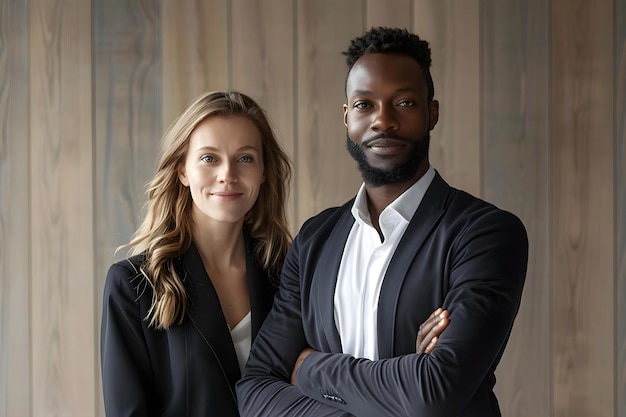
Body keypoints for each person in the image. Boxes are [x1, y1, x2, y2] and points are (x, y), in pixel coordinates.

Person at [236, 27, 528, 417]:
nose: (383, 121)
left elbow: (434, 392)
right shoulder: (315, 239)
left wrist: (306, 367)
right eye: (364, 105)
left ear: (432, 113)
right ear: (347, 117)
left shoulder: (484, 233)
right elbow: (255, 389)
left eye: (404, 102)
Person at [100, 91, 292, 416]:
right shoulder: (132, 286)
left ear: (263, 171)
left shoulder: (289, 276)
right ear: (182, 171)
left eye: (245, 158)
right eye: (209, 158)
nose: (227, 174)